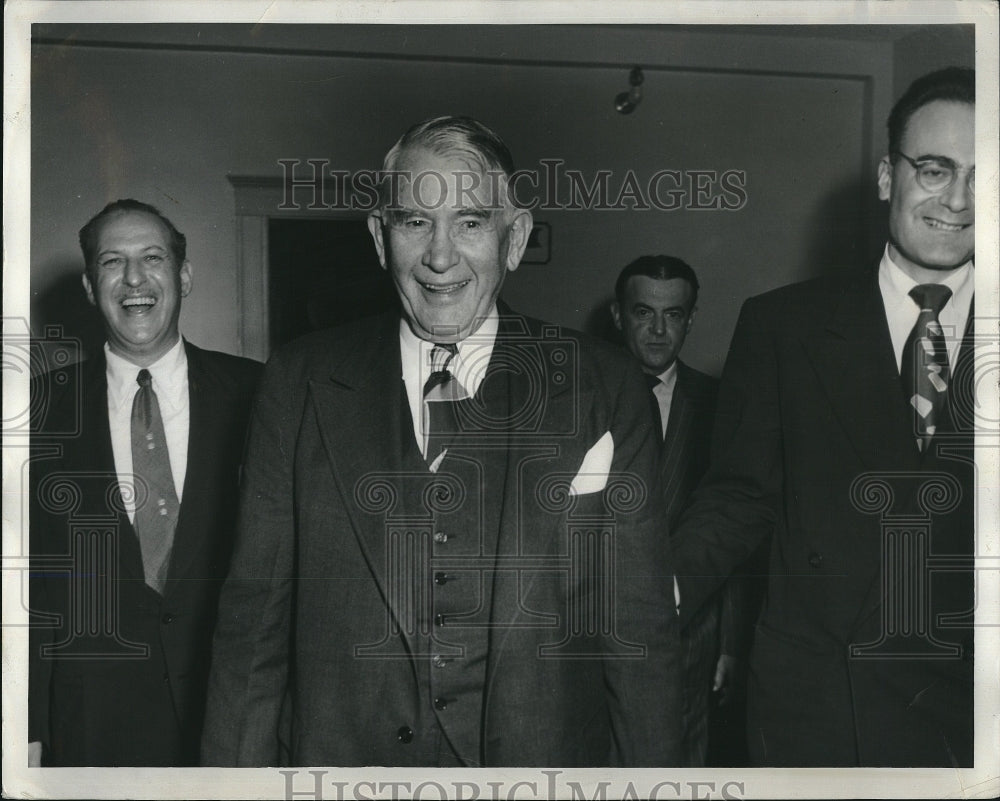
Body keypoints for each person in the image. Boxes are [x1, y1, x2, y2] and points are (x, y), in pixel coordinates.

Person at [201, 115, 682, 767]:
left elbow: (640, 637)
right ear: (379, 236)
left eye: (471, 222)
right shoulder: (299, 381)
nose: (440, 255)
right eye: (415, 221)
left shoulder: (605, 388)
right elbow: (251, 633)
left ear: (515, 239)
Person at [672, 66, 976, 766]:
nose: (958, 200)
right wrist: (662, 584)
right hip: (819, 707)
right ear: (884, 177)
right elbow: (738, 496)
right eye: (933, 169)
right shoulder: (784, 325)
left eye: (980, 175)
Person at [29, 199, 262, 766]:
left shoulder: (261, 394)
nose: (134, 278)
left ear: (183, 276)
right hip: (91, 725)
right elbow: (23, 589)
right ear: (90, 286)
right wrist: (27, 728)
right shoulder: (34, 411)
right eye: (113, 262)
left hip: (233, 716)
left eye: (152, 257)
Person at [611, 255, 755, 766]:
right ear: (617, 316)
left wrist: (731, 645)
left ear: (690, 320)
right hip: (600, 634)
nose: (656, 330)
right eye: (643, 312)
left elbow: (738, 536)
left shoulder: (722, 405)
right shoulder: (582, 397)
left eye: (672, 315)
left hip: (692, 637)